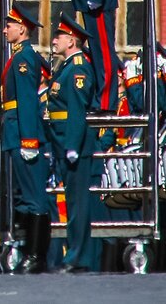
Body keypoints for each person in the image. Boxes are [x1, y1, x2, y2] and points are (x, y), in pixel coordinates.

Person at [0, 2, 50, 274]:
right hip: (15, 131)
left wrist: (29, 140)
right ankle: (31, 251)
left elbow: (28, 102)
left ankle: (36, 255)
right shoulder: (18, 56)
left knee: (35, 197)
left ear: (21, 28)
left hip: (22, 134)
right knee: (27, 196)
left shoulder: (24, 58)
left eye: (9, 25)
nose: (5, 29)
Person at [47, 14, 96, 273]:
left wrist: (73, 145)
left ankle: (79, 256)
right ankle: (76, 253)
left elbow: (77, 110)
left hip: (72, 142)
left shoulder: (77, 68)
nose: (54, 41)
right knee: (73, 202)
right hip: (63, 141)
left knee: (78, 204)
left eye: (59, 36)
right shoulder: (65, 67)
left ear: (72, 40)